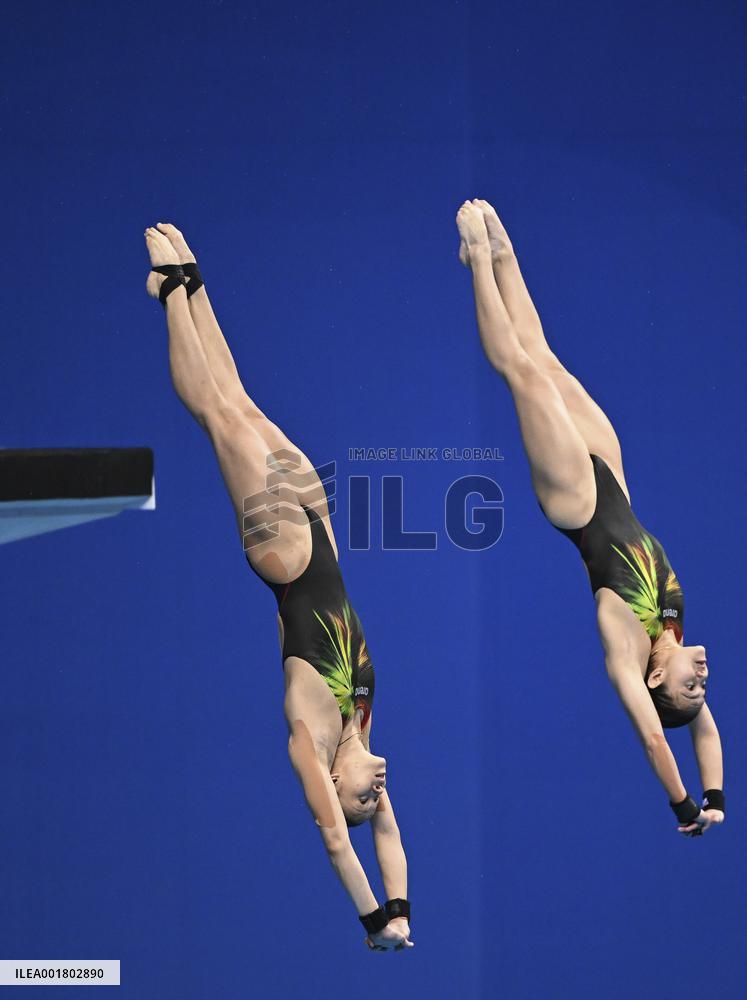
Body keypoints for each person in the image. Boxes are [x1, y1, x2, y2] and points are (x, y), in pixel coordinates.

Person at [143, 223, 413, 948]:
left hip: (288, 564)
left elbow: (339, 844)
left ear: (333, 787)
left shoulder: (311, 736)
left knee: (219, 417)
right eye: (373, 797)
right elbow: (388, 838)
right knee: (247, 404)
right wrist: (402, 909)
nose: (377, 791)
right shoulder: (361, 727)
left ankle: (168, 295)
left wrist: (370, 923)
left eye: (362, 797)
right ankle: (195, 288)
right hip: (323, 542)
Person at [456, 199, 725, 837]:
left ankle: (473, 261)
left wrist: (684, 807)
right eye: (702, 686)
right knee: (545, 357)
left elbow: (659, 741)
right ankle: (504, 255)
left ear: (657, 678)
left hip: (576, 504)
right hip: (615, 476)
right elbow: (704, 728)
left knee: (522, 373)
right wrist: (717, 796)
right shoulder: (673, 635)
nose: (703, 679)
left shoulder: (628, 652)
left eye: (690, 687)